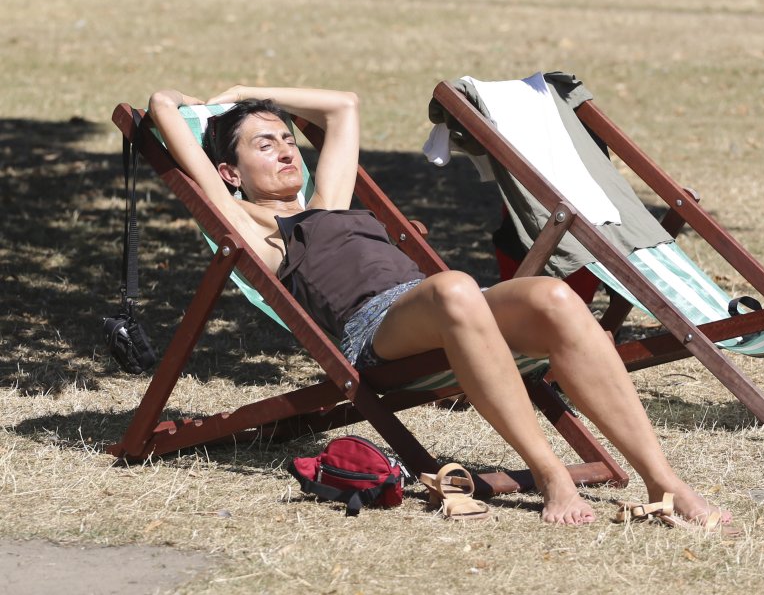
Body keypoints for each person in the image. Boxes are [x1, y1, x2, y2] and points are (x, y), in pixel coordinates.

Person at [149, 85, 732, 527]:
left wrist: (245, 95)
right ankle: (553, 475)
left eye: (284, 138)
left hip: (446, 305)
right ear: (228, 173)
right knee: (454, 287)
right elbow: (160, 107)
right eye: (262, 144)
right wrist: (196, 104)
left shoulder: (329, 198)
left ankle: (664, 481)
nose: (283, 150)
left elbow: (343, 107)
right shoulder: (250, 225)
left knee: (553, 298)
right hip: (374, 330)